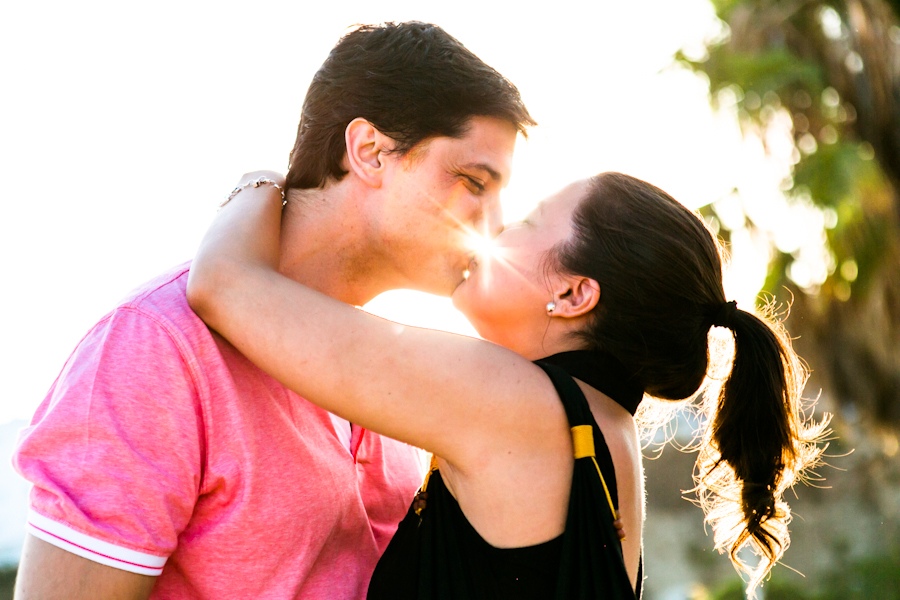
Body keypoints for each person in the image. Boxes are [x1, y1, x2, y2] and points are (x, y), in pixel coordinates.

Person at [12, 22, 535, 599]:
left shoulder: (388, 371)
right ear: (370, 151)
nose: (496, 224)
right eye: (473, 182)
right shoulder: (157, 347)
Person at [187, 171, 829, 599]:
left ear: (573, 293)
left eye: (525, 222)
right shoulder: (607, 433)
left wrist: (264, 184)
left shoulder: (509, 403)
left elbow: (223, 286)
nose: (492, 231)